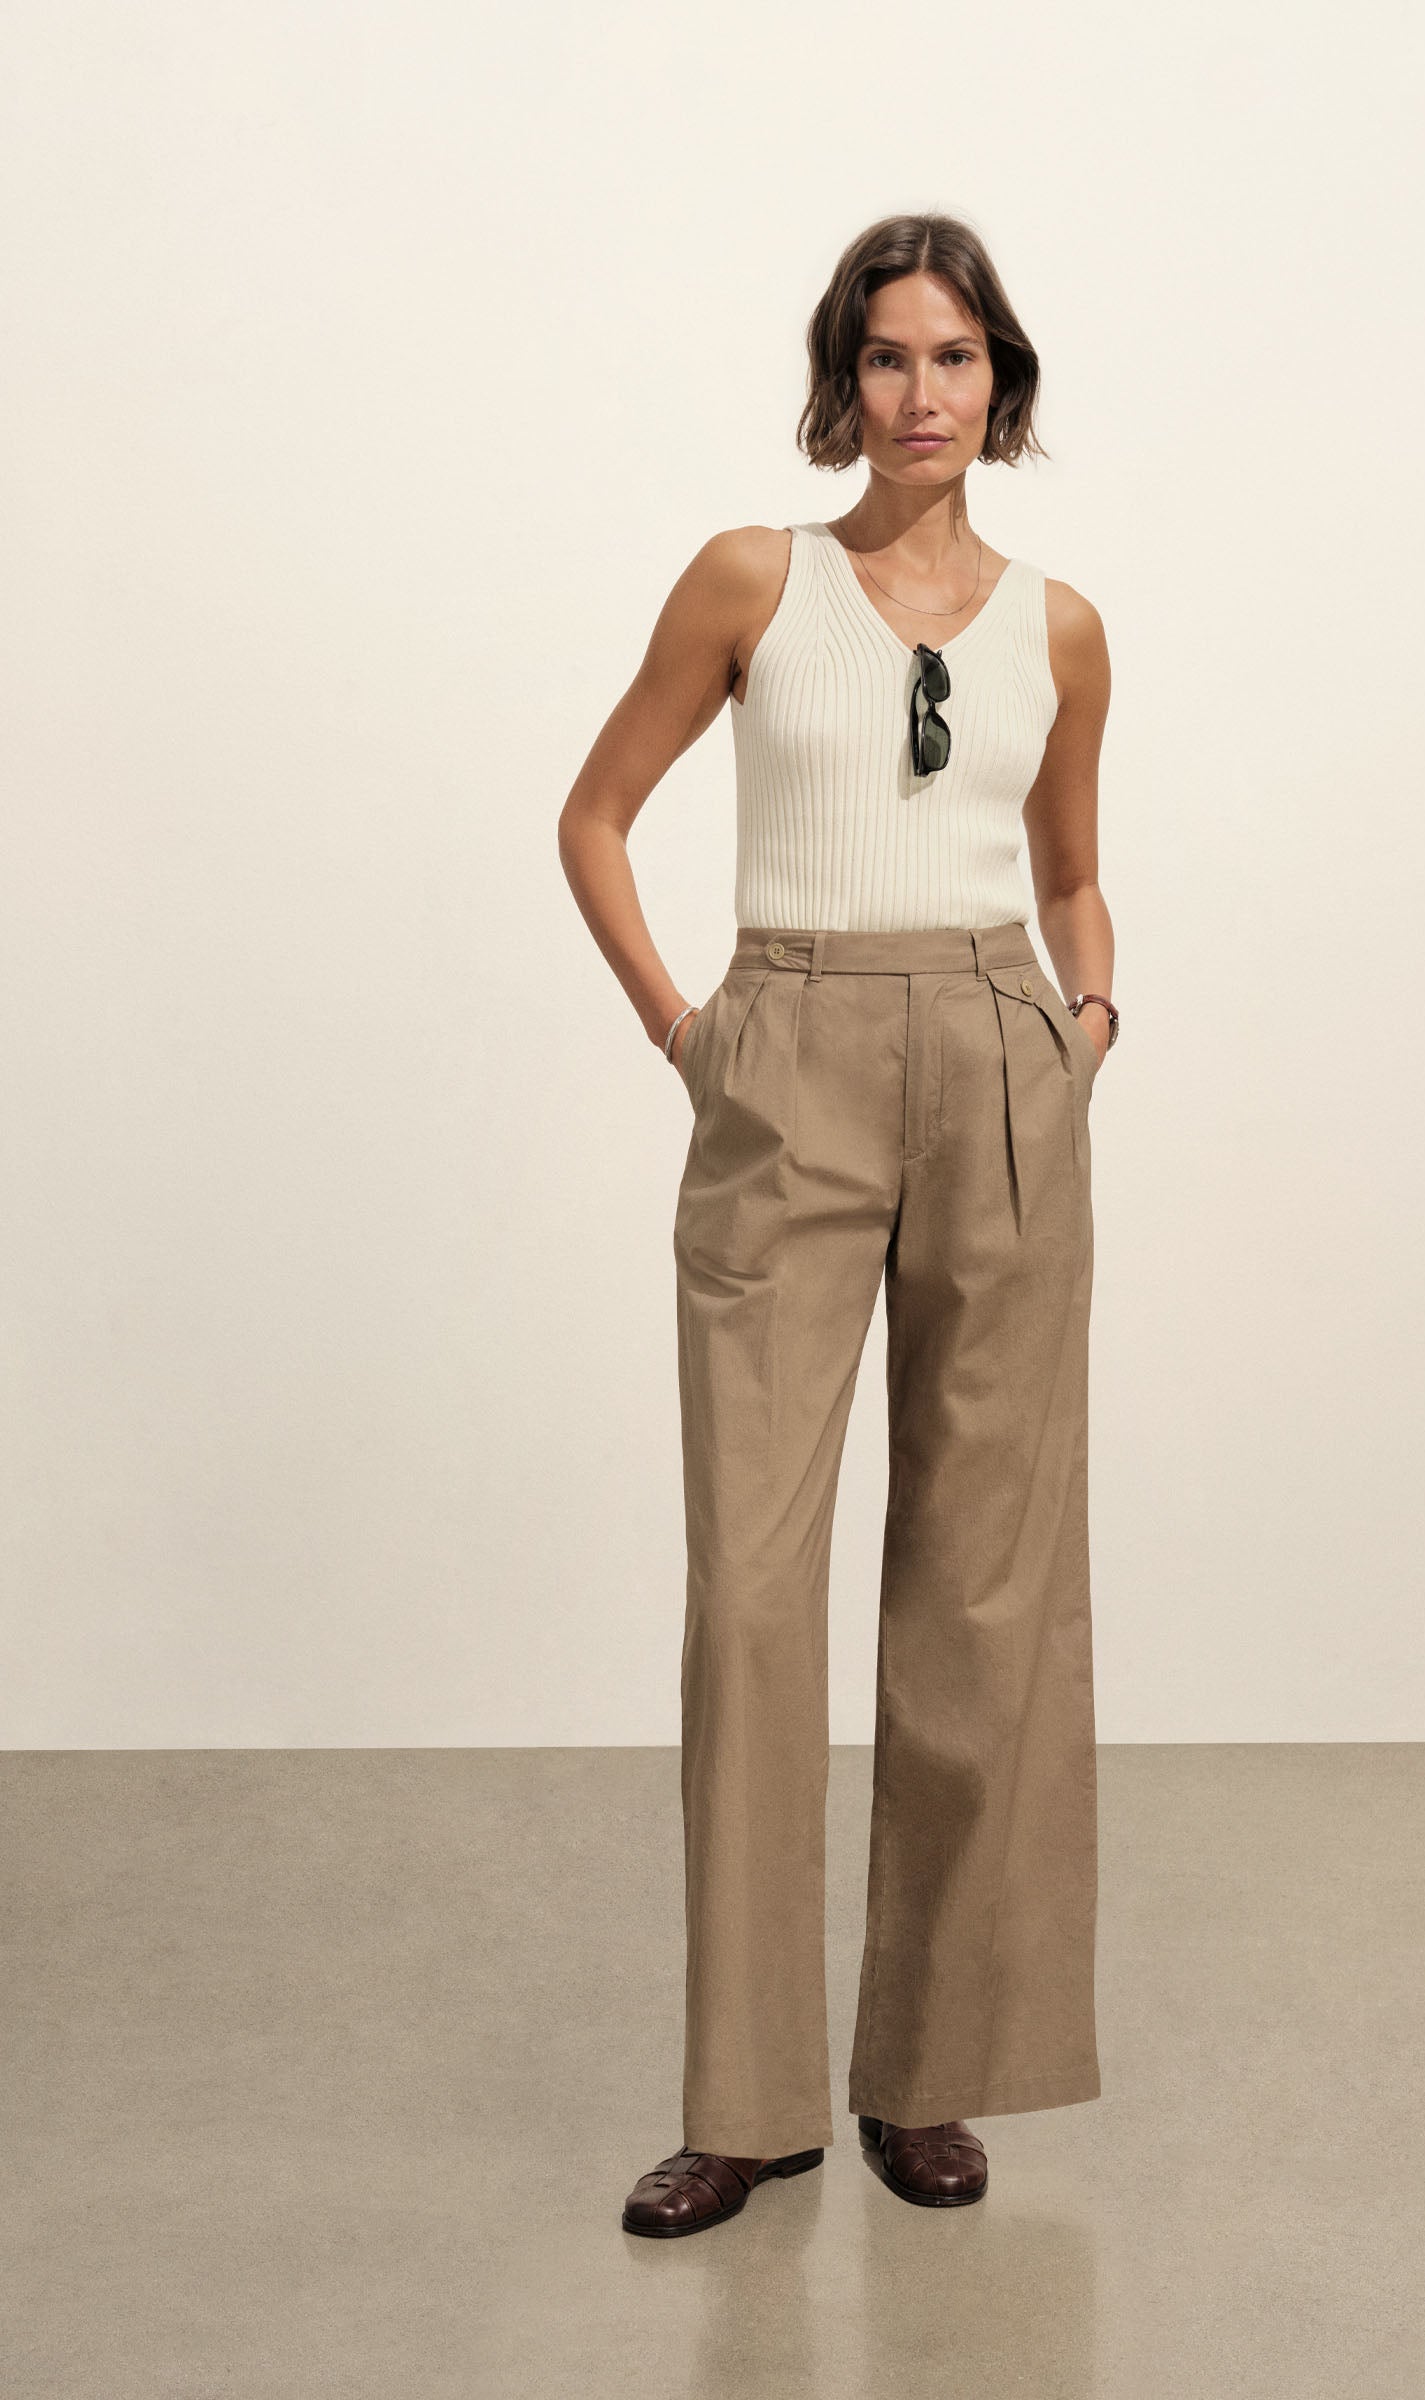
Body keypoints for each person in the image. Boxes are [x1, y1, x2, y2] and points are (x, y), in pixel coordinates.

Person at [557, 211, 1119, 2238]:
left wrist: (1087, 1024)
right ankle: (748, 2099)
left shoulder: (1060, 626)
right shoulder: (752, 580)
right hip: (783, 1050)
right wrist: (689, 1031)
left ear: (1001, 384)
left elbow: (1071, 874)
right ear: (842, 378)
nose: (920, 393)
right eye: (887, 356)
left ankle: (925, 2075)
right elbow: (594, 814)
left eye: (955, 357)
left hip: (996, 1061)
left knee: (982, 1594)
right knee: (751, 1592)